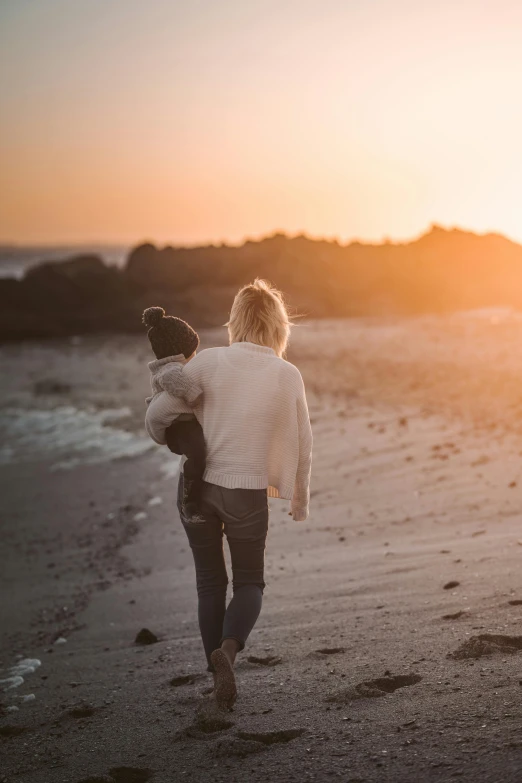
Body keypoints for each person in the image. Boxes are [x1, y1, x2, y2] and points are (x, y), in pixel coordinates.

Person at [146, 279, 313, 709]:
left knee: (209, 584)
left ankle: (213, 674)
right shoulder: (286, 374)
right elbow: (304, 440)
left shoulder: (207, 363)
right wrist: (299, 500)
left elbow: (158, 414)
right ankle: (229, 656)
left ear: (234, 322)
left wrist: (173, 436)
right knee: (250, 583)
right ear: (279, 327)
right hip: (246, 494)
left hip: (197, 489)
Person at [143, 306, 206, 523]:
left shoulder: (170, 366)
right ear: (179, 349)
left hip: (184, 426)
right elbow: (175, 380)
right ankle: (190, 501)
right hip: (179, 428)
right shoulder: (169, 369)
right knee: (198, 456)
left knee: (201, 453)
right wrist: (194, 394)